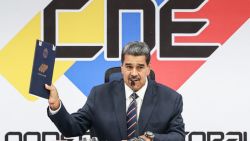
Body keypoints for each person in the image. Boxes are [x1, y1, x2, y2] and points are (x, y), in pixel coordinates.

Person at [46, 41, 185, 141]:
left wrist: (151, 139)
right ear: (122, 67)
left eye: (140, 67)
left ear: (149, 68)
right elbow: (72, 128)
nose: (134, 73)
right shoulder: (99, 95)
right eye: (129, 67)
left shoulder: (171, 99)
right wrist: (56, 106)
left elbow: (178, 137)